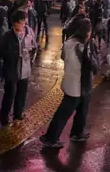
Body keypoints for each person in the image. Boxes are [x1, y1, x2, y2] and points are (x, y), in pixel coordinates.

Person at [40, 18, 97, 148]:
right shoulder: (84, 47)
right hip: (78, 85)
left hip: (74, 83)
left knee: (82, 109)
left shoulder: (69, 42)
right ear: (87, 33)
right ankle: (51, 138)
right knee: (64, 113)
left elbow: (62, 57)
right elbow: (93, 66)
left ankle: (77, 133)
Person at [0, 10, 37, 125]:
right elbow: (0, 51)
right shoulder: (7, 35)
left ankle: (18, 114)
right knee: (10, 93)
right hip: (11, 69)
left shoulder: (29, 32)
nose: (22, 25)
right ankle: (4, 114)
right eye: (20, 22)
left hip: (25, 69)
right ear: (14, 23)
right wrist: (13, 54)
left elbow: (34, 46)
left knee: (22, 93)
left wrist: (31, 55)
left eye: (23, 22)